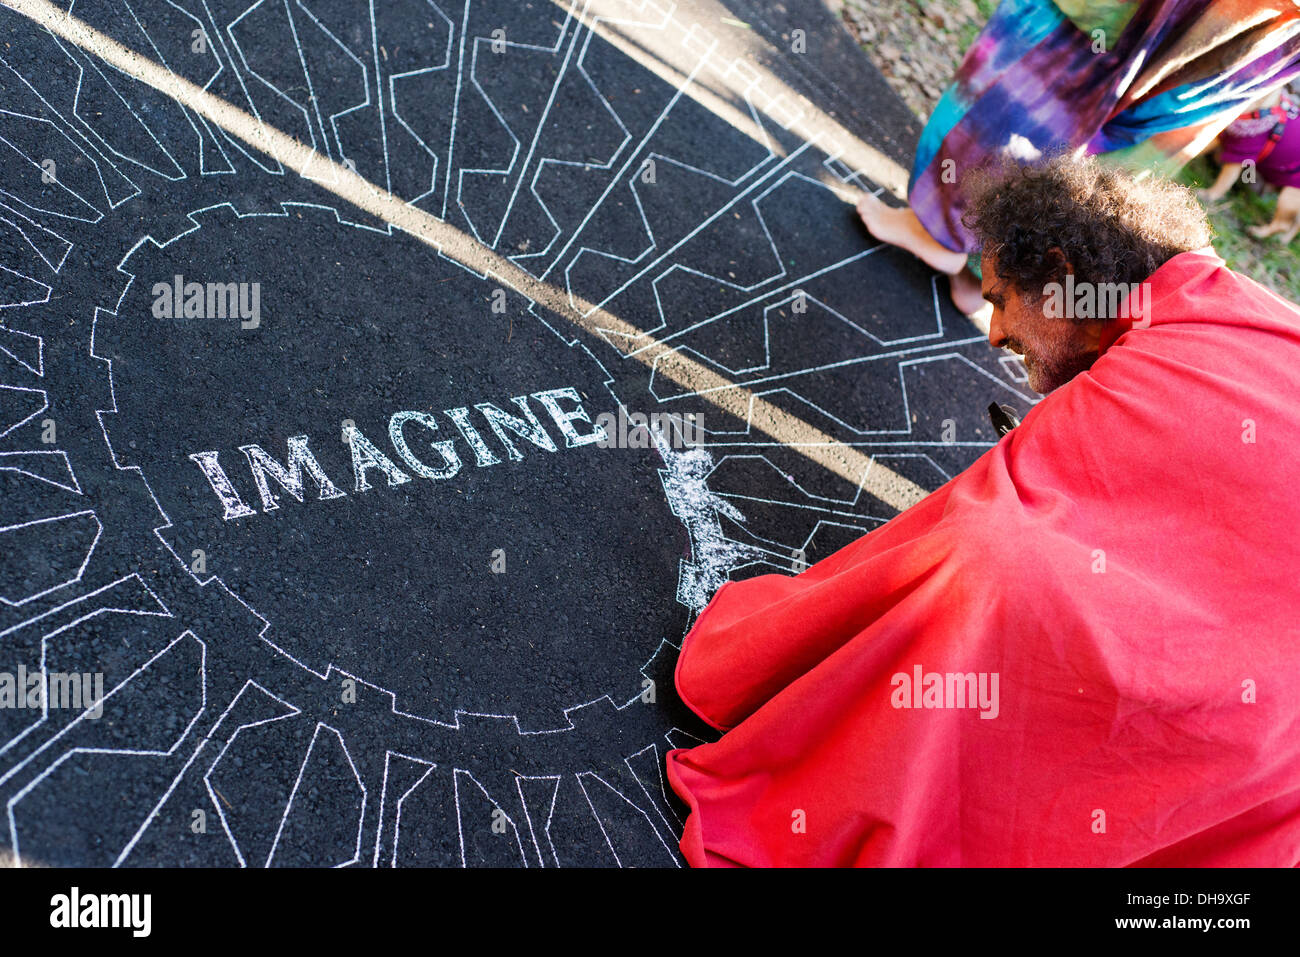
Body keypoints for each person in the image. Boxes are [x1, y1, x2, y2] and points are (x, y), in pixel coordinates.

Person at [666, 155, 1300, 866]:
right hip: (1276, 787)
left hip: (1254, 724)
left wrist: (764, 652)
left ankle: (882, 795)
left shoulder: (1146, 360)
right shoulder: (1230, 306)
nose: (994, 332)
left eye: (999, 299)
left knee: (984, 559)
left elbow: (977, 534)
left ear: (1061, 280)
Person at [855, 0, 1300, 316]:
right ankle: (987, 277)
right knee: (1138, 135)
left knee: (1054, 65)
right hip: (1268, 31)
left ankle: (936, 231)